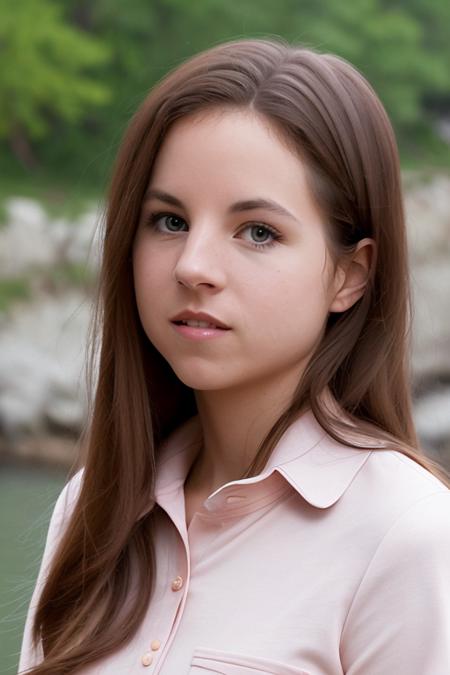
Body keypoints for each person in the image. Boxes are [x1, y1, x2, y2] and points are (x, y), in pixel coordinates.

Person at [18, 37, 450, 675]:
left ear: (349, 275)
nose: (194, 266)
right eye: (168, 221)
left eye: (257, 232)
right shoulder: (93, 505)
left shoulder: (408, 535)